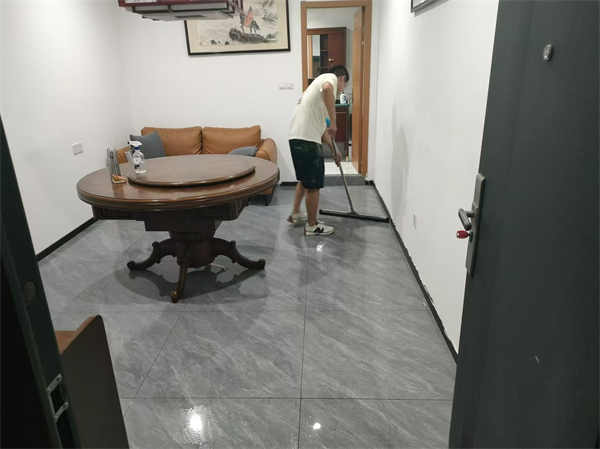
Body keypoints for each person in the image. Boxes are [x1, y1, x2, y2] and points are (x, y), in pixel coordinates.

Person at [287, 65, 349, 236]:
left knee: (305, 179)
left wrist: (334, 151)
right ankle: (312, 226)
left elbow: (322, 132)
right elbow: (328, 88)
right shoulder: (330, 78)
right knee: (313, 185)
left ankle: (295, 213)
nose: (341, 90)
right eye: (344, 85)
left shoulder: (315, 96)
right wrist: (334, 122)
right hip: (307, 140)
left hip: (296, 137)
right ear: (341, 78)